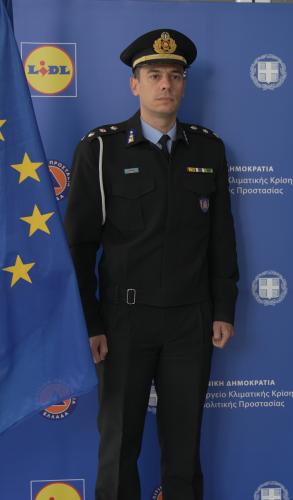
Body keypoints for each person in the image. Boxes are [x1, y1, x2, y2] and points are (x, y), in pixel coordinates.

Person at [64, 29, 238, 499]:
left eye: (175, 76)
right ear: (134, 84)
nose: (166, 84)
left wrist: (223, 308)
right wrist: (90, 322)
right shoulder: (100, 150)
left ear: (184, 85)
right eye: (155, 75)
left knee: (184, 448)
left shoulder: (208, 149)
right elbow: (79, 245)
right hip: (124, 321)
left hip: (190, 321)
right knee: (119, 446)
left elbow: (221, 237)